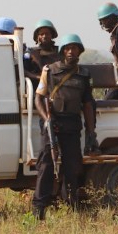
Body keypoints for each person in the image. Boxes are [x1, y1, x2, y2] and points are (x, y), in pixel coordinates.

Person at [32, 34, 99, 220]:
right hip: (53, 123)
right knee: (45, 166)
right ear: (62, 52)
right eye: (68, 48)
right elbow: (38, 97)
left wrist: (91, 132)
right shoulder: (49, 71)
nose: (71, 51)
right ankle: (39, 208)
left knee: (73, 166)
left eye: (75, 48)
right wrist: (46, 119)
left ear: (80, 51)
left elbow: (87, 104)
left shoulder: (84, 75)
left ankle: (72, 203)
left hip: (72, 124)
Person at [23, 19, 61, 90]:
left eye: (47, 33)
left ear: (52, 35)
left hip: (58, 87)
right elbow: (24, 71)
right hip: (37, 88)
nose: (44, 36)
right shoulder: (31, 53)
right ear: (37, 37)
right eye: (41, 34)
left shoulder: (60, 51)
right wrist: (39, 77)